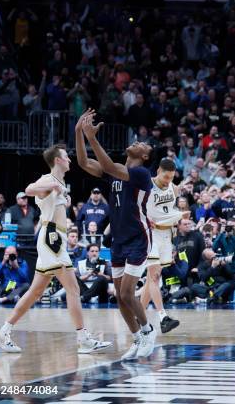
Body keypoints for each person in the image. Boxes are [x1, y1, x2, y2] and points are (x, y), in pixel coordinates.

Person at [0, 141, 111, 354]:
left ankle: (3, 332)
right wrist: (53, 188)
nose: (70, 159)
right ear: (57, 160)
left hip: (55, 238)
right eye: (67, 156)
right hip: (51, 239)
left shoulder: (59, 183)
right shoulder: (49, 179)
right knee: (72, 289)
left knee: (35, 292)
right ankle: (83, 339)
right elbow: (28, 189)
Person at [76, 109, 157, 360]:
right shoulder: (115, 173)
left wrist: (92, 138)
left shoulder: (141, 174)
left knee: (125, 293)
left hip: (138, 238)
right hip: (119, 240)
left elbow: (109, 166)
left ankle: (148, 331)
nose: (136, 142)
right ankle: (137, 338)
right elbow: (83, 162)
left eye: (142, 144)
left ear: (143, 156)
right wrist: (79, 132)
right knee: (121, 299)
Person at [141, 158, 187, 334]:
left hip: (166, 235)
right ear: (158, 171)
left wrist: (179, 217)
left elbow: (169, 211)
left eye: (171, 177)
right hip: (150, 234)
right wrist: (144, 220)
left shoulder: (173, 188)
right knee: (154, 276)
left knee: (151, 279)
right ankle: (163, 317)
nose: (168, 180)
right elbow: (136, 207)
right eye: (166, 176)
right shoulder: (147, 185)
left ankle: (139, 316)